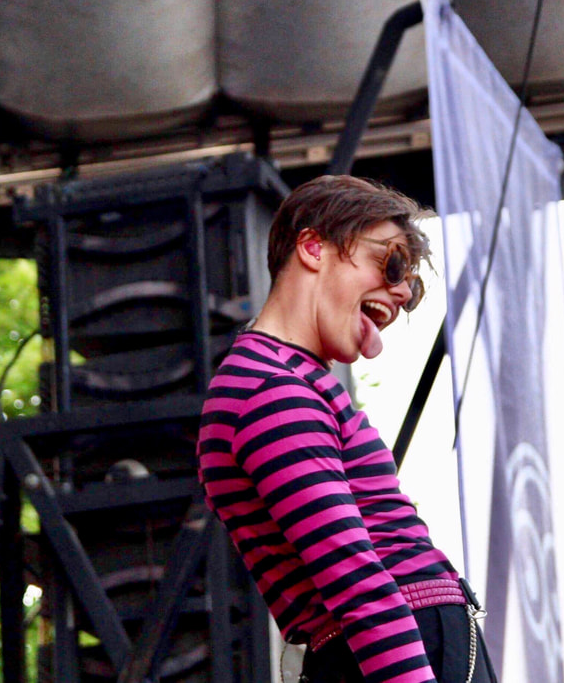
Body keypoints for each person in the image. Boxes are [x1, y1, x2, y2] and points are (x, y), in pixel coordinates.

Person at [197, 175, 495, 683]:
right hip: (397, 645)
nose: (402, 292)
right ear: (313, 247)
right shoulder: (269, 388)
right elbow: (354, 579)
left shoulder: (287, 377)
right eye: (391, 263)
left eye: (412, 287)